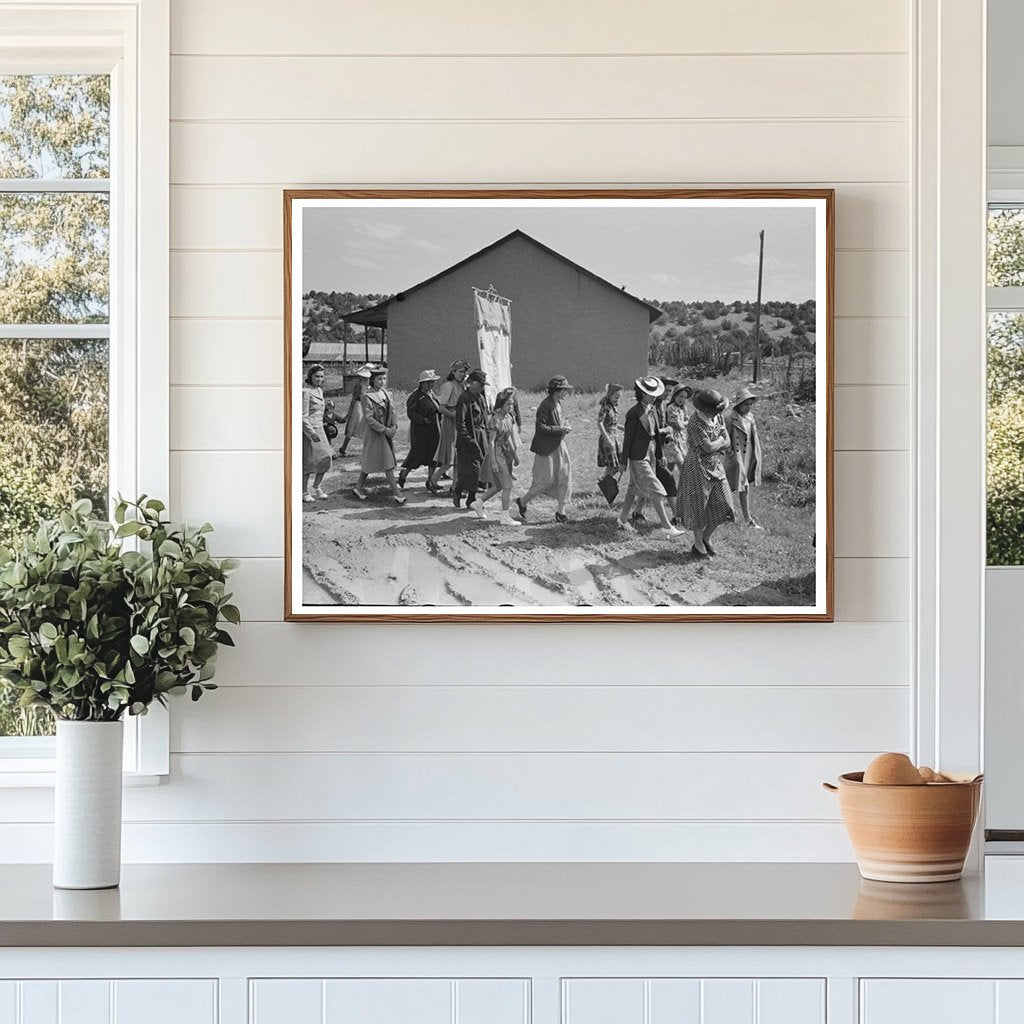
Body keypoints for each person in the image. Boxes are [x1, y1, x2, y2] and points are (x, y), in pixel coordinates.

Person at [616, 377, 683, 539]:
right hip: (638, 457)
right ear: (641, 393)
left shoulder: (652, 410)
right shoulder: (634, 413)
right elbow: (628, 439)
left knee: (633, 489)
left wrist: (660, 456)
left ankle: (622, 519)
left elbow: (655, 435)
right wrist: (623, 461)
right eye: (649, 393)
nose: (653, 396)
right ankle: (667, 527)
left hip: (651, 454)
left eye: (654, 393)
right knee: (657, 490)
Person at [676, 388, 735, 557]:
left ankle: (706, 537)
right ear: (702, 409)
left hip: (715, 464)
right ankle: (698, 543)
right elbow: (707, 447)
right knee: (698, 505)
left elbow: (727, 440)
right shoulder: (695, 422)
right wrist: (721, 441)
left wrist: (719, 442)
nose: (714, 414)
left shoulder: (718, 416)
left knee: (724, 502)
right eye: (711, 411)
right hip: (697, 465)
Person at [516, 375, 574, 524]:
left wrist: (564, 426)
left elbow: (558, 421)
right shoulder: (545, 405)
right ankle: (522, 501)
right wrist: (560, 428)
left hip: (559, 445)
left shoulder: (558, 403)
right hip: (546, 449)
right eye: (564, 390)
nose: (566, 393)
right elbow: (540, 428)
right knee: (544, 481)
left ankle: (561, 512)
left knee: (564, 477)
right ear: (557, 390)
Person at [352, 367, 406, 504]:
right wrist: (384, 430)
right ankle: (396, 493)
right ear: (372, 380)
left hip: (386, 431)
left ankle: (358, 487)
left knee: (371, 461)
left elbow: (393, 412)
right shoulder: (366, 396)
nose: (382, 382)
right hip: (375, 433)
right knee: (387, 462)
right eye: (379, 379)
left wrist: (394, 426)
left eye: (384, 379)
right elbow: (369, 419)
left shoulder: (387, 394)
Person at [477, 386, 523, 527]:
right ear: (500, 404)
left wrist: (514, 454)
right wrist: (493, 462)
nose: (510, 407)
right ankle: (504, 516)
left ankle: (478, 503)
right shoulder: (495, 420)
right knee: (507, 486)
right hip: (497, 454)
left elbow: (508, 437)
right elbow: (491, 442)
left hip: (505, 453)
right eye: (507, 404)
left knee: (498, 485)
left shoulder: (509, 418)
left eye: (512, 404)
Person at [724, 385, 764, 528]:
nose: (748, 407)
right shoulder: (730, 418)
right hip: (736, 456)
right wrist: (730, 452)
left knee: (743, 486)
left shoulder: (750, 417)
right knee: (731, 486)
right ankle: (731, 515)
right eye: (745, 404)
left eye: (750, 404)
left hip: (747, 455)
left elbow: (752, 437)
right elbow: (724, 436)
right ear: (739, 404)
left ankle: (745, 518)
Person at [453, 368, 490, 516]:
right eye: (479, 384)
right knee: (472, 471)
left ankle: (470, 498)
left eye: (483, 385)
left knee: (480, 471)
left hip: (481, 438)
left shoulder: (480, 398)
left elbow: (485, 419)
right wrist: (469, 440)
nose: (481, 387)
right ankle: (458, 490)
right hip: (467, 440)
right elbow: (460, 424)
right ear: (470, 383)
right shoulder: (464, 399)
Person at [399, 369, 442, 491]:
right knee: (417, 455)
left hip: (434, 429)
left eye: (432, 382)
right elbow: (411, 413)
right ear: (421, 383)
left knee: (433, 456)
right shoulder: (415, 397)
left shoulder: (431, 394)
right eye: (427, 382)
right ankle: (403, 474)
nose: (430, 385)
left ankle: (430, 481)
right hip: (420, 431)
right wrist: (423, 420)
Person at [432, 360, 469, 487]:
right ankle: (432, 480)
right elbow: (441, 408)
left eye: (465, 372)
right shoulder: (448, 386)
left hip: (460, 422)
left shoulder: (463, 386)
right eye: (460, 371)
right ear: (453, 372)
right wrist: (455, 416)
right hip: (450, 423)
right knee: (450, 458)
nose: (463, 374)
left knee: (459, 457)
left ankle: (455, 486)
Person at [301, 364, 333, 502]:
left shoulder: (319, 390)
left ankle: (317, 486)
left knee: (326, 458)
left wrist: (328, 408)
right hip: (310, 431)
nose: (319, 379)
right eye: (316, 376)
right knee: (308, 462)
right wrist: (311, 433)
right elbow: (302, 416)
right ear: (310, 377)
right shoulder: (305, 392)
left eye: (321, 376)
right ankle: (304, 492)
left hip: (320, 428)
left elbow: (318, 410)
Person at [337, 365, 372, 457]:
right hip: (358, 406)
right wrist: (349, 412)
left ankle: (367, 449)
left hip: (367, 406)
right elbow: (353, 399)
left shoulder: (371, 386)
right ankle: (343, 448)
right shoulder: (359, 386)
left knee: (366, 426)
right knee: (353, 425)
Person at [597, 384, 624, 483]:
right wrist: (606, 438)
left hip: (615, 437)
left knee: (619, 463)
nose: (617, 400)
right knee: (612, 464)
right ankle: (606, 483)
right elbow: (600, 422)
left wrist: (623, 428)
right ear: (610, 396)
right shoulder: (605, 408)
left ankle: (604, 480)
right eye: (616, 397)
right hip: (608, 437)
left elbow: (614, 424)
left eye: (619, 398)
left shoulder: (614, 408)